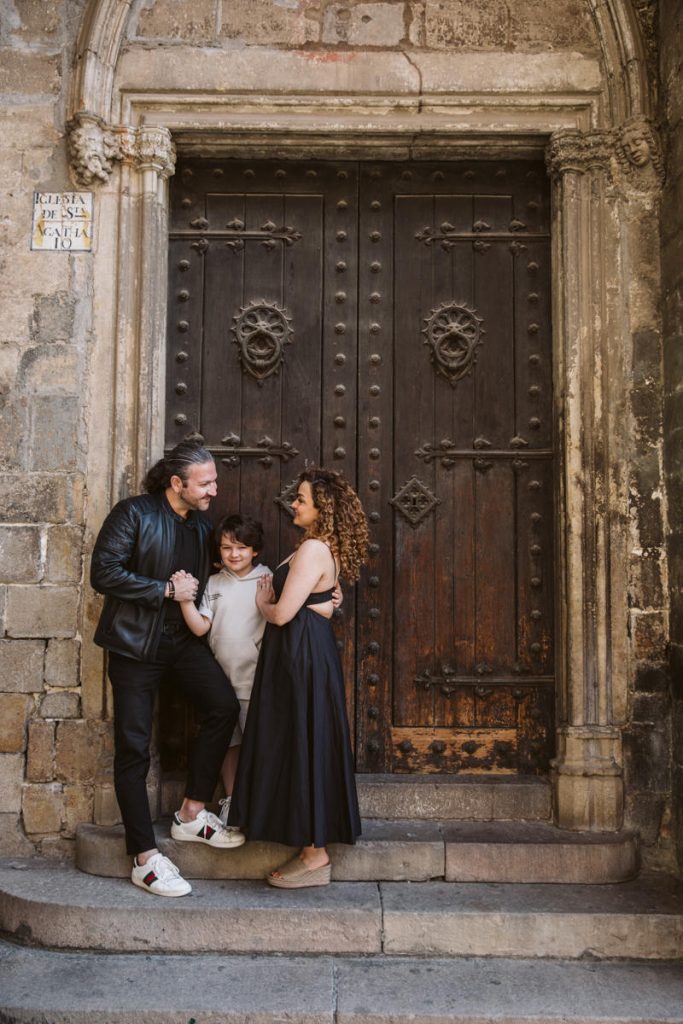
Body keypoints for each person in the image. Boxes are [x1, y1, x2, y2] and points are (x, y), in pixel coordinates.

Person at [90, 440, 246, 899]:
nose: (214, 489)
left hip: (183, 643)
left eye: (214, 481)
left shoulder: (200, 526)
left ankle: (190, 813)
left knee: (222, 706)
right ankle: (143, 857)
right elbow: (104, 572)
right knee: (133, 749)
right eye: (206, 482)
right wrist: (163, 591)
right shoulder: (133, 513)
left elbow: (222, 573)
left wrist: (315, 594)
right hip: (135, 648)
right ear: (176, 483)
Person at [228, 467, 369, 888]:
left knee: (305, 741)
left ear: (321, 508)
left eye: (302, 499)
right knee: (299, 741)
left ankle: (315, 855)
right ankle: (309, 846)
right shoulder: (311, 547)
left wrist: (264, 604)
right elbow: (322, 602)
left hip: (301, 654)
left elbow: (285, 613)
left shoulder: (313, 551)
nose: (294, 503)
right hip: (299, 652)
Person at [174, 513, 271, 825]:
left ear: (255, 550)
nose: (234, 554)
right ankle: (231, 800)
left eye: (242, 547)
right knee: (229, 744)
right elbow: (201, 628)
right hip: (222, 681)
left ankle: (259, 801)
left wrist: (331, 596)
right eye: (227, 548)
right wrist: (185, 601)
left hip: (255, 679)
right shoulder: (214, 583)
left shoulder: (269, 579)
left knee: (258, 742)